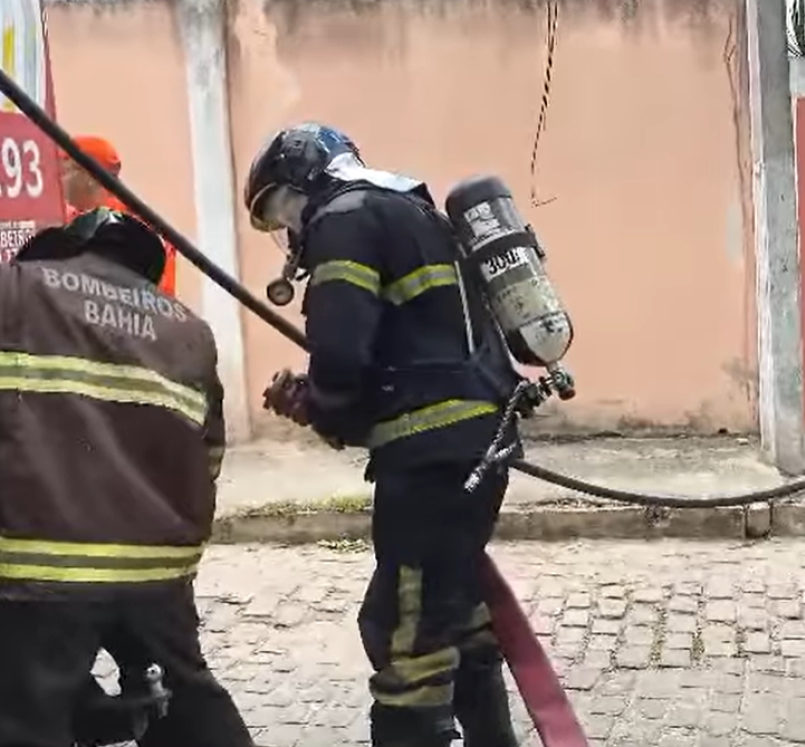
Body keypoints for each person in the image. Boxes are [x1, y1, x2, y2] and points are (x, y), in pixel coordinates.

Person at [245, 122, 524, 747]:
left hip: (431, 459)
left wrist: (319, 402)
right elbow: (413, 350)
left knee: (403, 628)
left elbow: (342, 358)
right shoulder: (409, 208)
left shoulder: (342, 219)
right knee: (455, 608)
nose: (288, 230)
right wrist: (323, 404)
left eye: (280, 208)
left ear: (304, 181)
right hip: (477, 441)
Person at [0, 207, 255, 747]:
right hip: (158, 570)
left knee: (25, 716)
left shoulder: (17, 291)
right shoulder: (190, 329)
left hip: (40, 564)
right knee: (188, 699)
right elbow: (208, 456)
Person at [60, 135, 179, 297]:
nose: (60, 180)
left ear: (89, 176)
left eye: (65, 171)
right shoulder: (69, 219)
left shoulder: (135, 227)